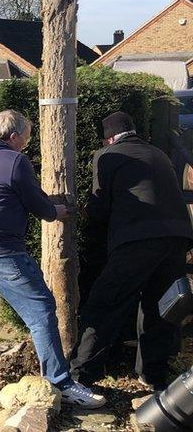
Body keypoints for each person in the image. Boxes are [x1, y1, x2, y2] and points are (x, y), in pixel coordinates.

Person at [0, 110, 105, 410]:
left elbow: (1, 192)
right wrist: (59, 212)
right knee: (42, 310)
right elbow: (39, 206)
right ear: (14, 136)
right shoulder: (15, 160)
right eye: (26, 140)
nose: (26, 146)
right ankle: (61, 383)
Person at [70, 112, 193, 391]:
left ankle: (80, 377)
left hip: (137, 238)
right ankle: (153, 377)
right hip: (177, 236)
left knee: (105, 303)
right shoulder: (158, 153)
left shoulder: (106, 155)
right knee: (161, 307)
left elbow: (99, 208)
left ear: (109, 137)